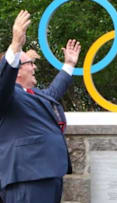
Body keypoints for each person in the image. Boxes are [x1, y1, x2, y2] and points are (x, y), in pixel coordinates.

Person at [0, 10, 81, 203]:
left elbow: (53, 93)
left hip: (48, 173)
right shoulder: (7, 96)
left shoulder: (35, 95)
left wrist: (69, 64)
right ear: (16, 71)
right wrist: (15, 46)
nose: (34, 67)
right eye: (30, 63)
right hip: (28, 176)